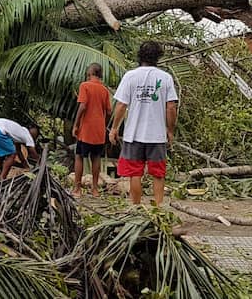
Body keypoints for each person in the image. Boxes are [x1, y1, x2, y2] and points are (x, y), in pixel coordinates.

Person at [109, 41, 178, 206]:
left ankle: (136, 207)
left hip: (134, 134)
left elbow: (121, 105)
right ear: (158, 57)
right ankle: (158, 209)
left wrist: (114, 128)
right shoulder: (165, 78)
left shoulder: (130, 76)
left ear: (140, 56)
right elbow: (171, 107)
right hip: (157, 135)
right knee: (158, 174)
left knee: (135, 173)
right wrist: (169, 130)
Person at [72, 63, 112, 197]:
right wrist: (103, 123)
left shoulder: (85, 86)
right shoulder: (105, 90)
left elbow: (82, 106)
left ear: (89, 74)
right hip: (99, 131)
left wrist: (76, 124)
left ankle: (77, 189)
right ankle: (95, 189)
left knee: (79, 156)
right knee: (96, 157)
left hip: (86, 130)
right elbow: (109, 111)